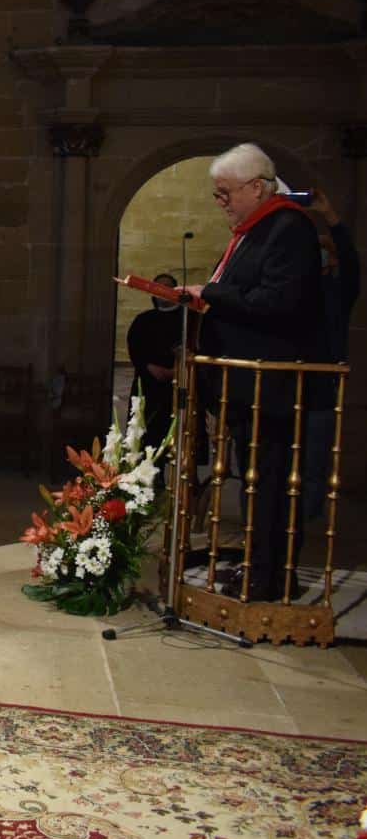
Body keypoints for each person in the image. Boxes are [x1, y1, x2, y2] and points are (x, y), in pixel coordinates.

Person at [183, 143, 325, 601]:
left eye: (225, 192)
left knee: (269, 484)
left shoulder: (288, 228)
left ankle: (270, 576)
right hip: (248, 384)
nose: (219, 201)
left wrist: (212, 294)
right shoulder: (257, 230)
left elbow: (280, 303)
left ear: (258, 187)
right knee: (254, 483)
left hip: (271, 384)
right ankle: (258, 566)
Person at [302, 190, 359, 521]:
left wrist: (331, 218)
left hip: (321, 387)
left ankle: (305, 522)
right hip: (287, 383)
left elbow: (351, 260)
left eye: (323, 253)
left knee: (314, 461)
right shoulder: (295, 288)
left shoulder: (339, 291)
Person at [126, 271, 183, 455]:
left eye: (167, 286)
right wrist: (149, 367)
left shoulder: (188, 319)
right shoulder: (143, 320)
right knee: (146, 441)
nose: (162, 290)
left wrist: (176, 370)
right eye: (158, 287)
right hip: (149, 385)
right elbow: (135, 350)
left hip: (179, 385)